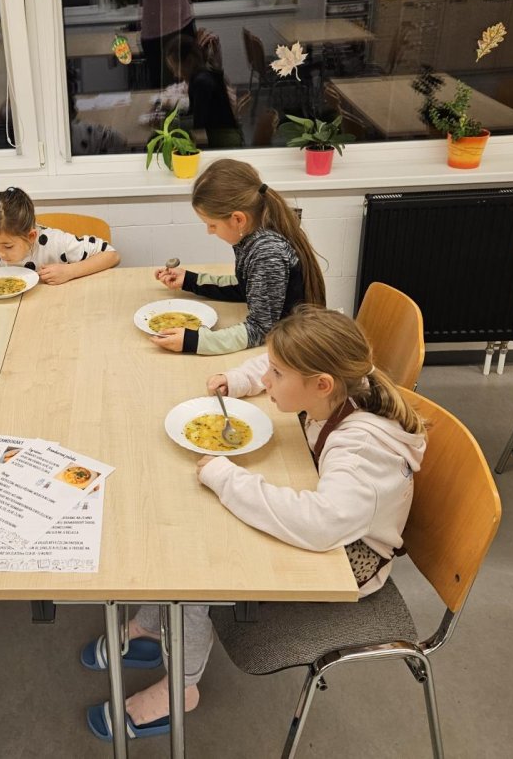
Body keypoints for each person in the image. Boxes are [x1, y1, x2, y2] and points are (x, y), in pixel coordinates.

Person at [82, 306, 426, 741]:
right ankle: (153, 626)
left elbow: (321, 525)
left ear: (321, 385)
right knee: (189, 529)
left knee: (198, 572)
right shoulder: (343, 380)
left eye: (277, 376)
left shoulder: (360, 450)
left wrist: (226, 478)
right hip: (336, 520)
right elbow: (272, 360)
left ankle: (181, 689)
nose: (268, 379)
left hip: (351, 559)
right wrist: (238, 380)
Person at [151, 158, 325, 354]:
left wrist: (193, 341)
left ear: (238, 219)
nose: (209, 231)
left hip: (296, 350)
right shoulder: (253, 235)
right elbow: (246, 287)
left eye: (212, 225)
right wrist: (190, 280)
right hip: (283, 342)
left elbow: (260, 329)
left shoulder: (267, 251)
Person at [0, 186, 120, 285]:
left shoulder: (54, 243)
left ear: (31, 236)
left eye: (8, 246)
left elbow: (111, 255)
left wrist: (70, 271)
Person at [164, 33, 244, 149]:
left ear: (189, 61)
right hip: (226, 137)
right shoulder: (204, 74)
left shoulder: (201, 82)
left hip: (225, 142)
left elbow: (198, 123)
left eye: (176, 69)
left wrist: (168, 123)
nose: (175, 75)